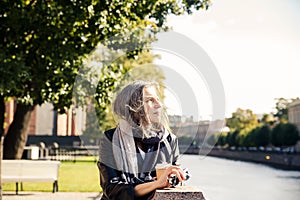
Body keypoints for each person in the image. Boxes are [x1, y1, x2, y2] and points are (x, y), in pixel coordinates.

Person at [97, 80, 185, 200]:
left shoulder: (170, 141)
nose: (159, 105)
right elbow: (112, 190)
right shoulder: (110, 139)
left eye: (157, 99)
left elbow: (174, 187)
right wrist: (156, 184)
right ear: (133, 107)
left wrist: (176, 177)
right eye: (150, 100)